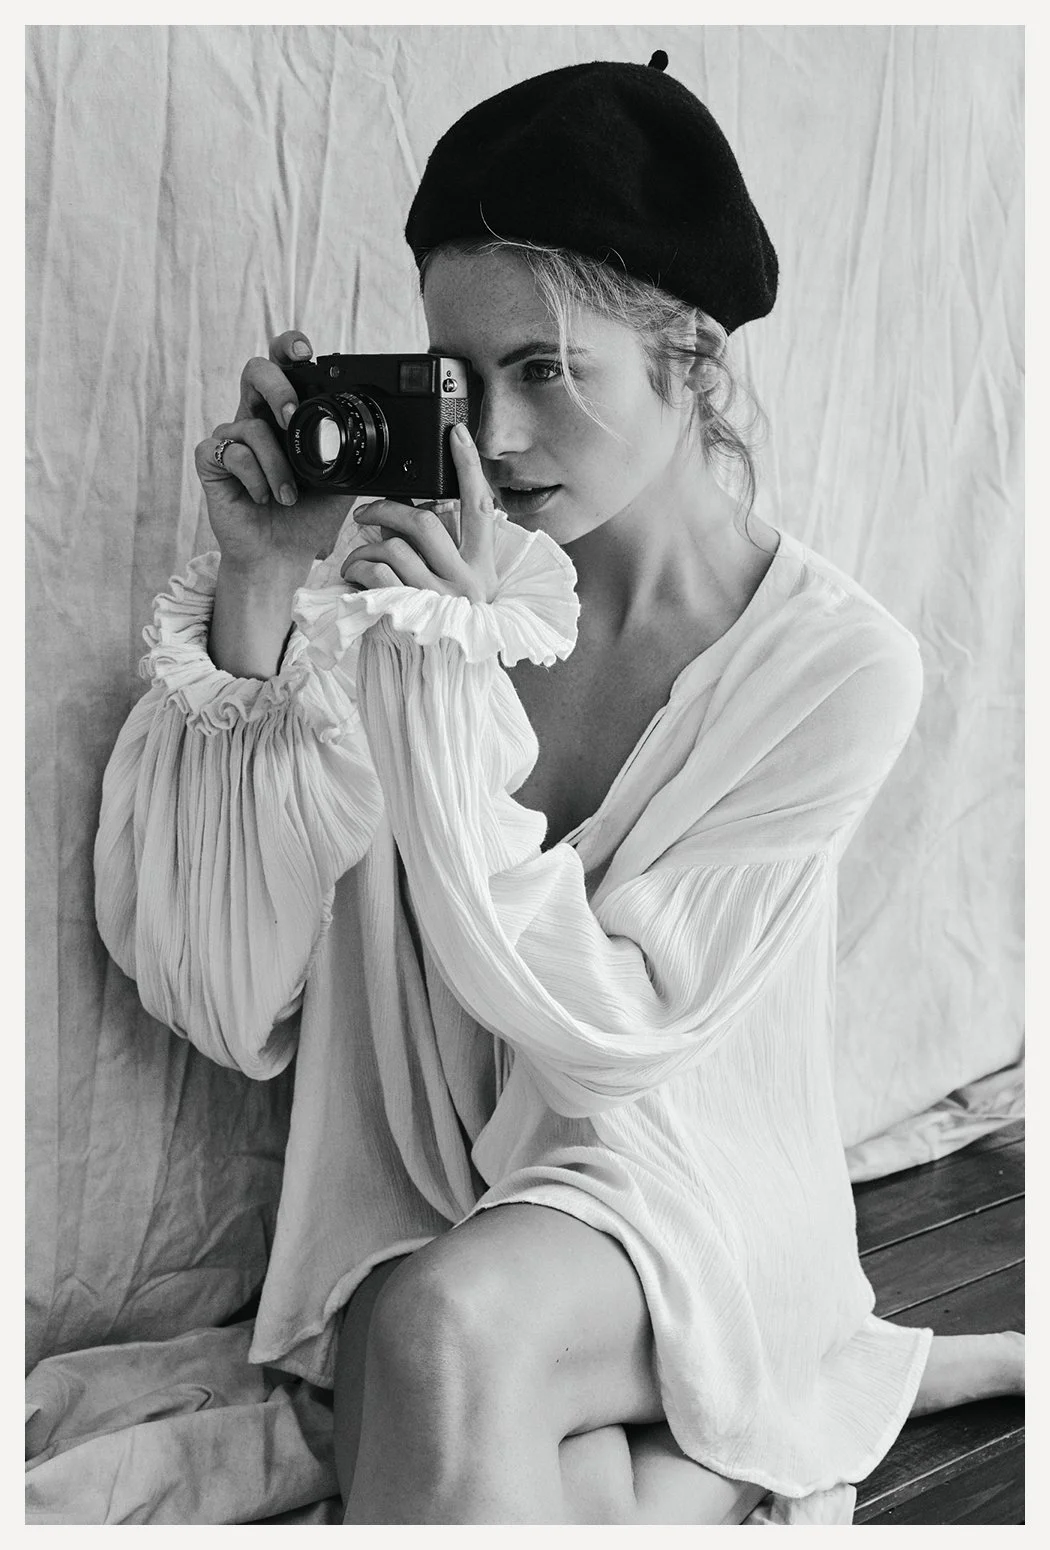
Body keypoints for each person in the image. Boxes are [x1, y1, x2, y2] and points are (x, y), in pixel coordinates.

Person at [94, 56, 1023, 1525]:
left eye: (546, 370)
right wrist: (269, 579)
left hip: (677, 1200)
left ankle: (725, 1405)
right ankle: (692, 1463)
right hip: (427, 1208)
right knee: (550, 1458)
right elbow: (222, 992)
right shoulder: (411, 596)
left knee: (441, 1330)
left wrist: (443, 669)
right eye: (458, 381)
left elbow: (609, 1036)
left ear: (694, 362)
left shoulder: (836, 668)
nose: (498, 438)